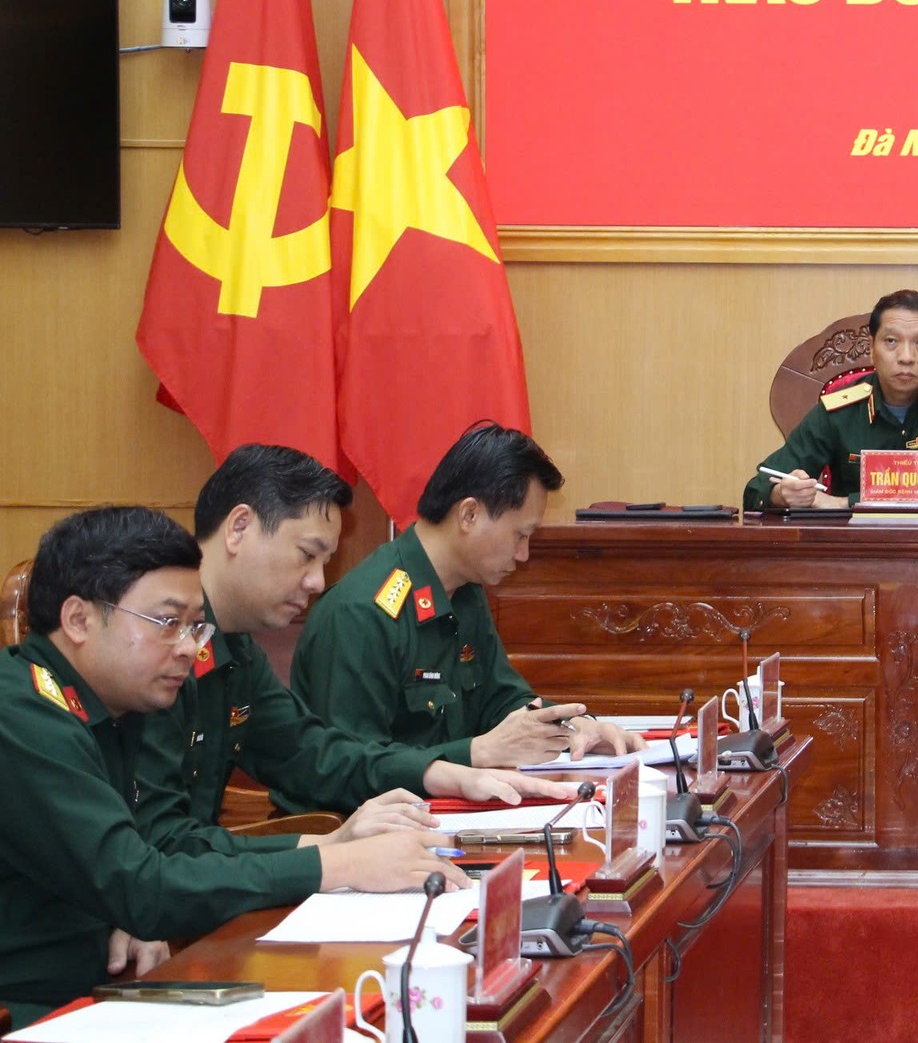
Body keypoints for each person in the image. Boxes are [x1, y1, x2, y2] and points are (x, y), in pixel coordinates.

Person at [0, 506, 461, 1026]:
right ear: (79, 620)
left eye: (194, 626)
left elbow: (158, 852)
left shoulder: (111, 704)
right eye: (167, 623)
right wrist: (338, 866)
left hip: (105, 988)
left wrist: (329, 850)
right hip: (31, 1011)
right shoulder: (23, 715)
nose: (187, 648)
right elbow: (140, 886)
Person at [142, 444, 573, 835]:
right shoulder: (154, 649)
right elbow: (162, 859)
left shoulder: (237, 650)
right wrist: (327, 852)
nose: (317, 582)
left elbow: (318, 754)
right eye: (307, 555)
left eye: (324, 561)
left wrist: (446, 772)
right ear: (239, 528)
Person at [291, 424, 642, 765]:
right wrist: (473, 755)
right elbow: (352, 767)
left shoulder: (465, 591)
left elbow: (500, 700)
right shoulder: (361, 613)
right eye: (520, 535)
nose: (524, 554)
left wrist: (574, 726)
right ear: (469, 514)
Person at [742, 289, 918, 510]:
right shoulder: (841, 408)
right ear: (871, 349)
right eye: (891, 341)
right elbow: (756, 489)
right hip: (853, 540)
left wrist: (841, 503)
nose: (906, 357)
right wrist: (781, 494)